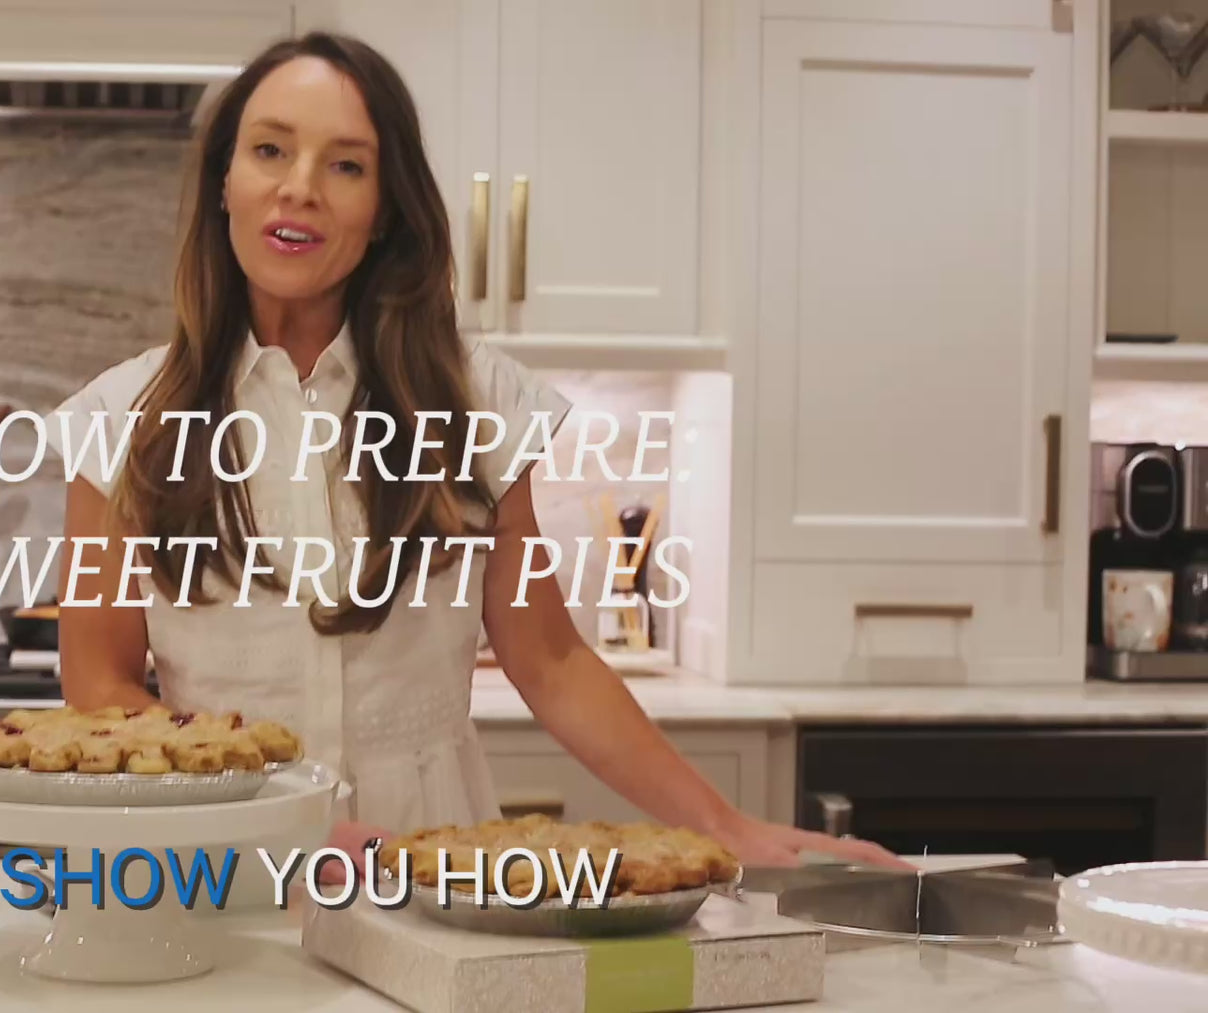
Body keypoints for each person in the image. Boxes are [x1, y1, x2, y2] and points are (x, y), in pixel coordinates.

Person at [49, 30, 906, 870]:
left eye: (346, 165)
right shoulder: (122, 420)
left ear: (385, 212)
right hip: (223, 877)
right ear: (224, 182)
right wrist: (275, 822)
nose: (299, 188)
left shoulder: (474, 402)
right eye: (270, 151)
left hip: (439, 873)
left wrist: (728, 825)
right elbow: (98, 682)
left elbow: (552, 659)